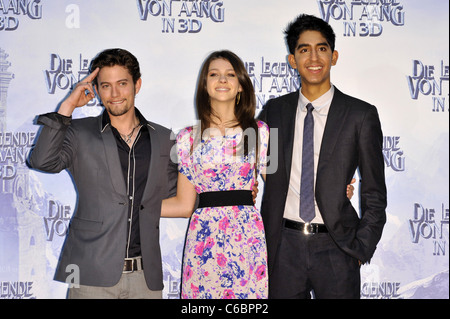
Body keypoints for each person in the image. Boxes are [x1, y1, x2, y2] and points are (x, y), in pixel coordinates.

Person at [27, 48, 177, 299]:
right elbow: (41, 162)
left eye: (122, 84)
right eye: (105, 85)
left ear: (137, 85)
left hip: (145, 279)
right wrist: (67, 107)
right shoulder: (78, 132)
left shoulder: (164, 138)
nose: (115, 93)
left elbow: (179, 194)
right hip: (90, 275)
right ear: (96, 90)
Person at [257, 14, 387, 299]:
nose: (313, 57)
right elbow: (261, 162)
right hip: (283, 248)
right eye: (304, 49)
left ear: (334, 55)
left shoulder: (360, 115)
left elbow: (375, 193)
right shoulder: (275, 111)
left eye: (322, 48)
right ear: (293, 59)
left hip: (337, 247)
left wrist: (361, 248)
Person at [161, 50, 270, 299]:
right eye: (214, 74)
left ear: (241, 85)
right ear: (204, 85)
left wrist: (333, 188)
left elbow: (285, 188)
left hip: (247, 239)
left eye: (230, 74)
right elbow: (184, 204)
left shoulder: (258, 132)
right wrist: (133, 206)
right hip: (203, 240)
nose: (222, 79)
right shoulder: (187, 138)